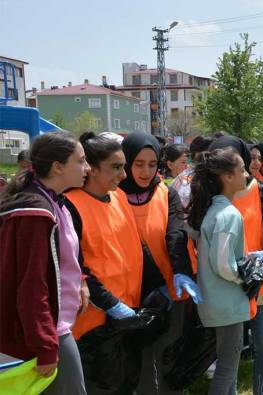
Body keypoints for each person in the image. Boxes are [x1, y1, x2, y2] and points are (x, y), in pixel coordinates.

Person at [64, 133, 156, 393]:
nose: (124, 175)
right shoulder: (71, 206)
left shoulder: (119, 198)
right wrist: (111, 304)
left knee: (128, 383)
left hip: (127, 315)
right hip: (95, 324)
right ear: (91, 169)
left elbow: (136, 245)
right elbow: (76, 269)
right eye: (116, 167)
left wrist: (159, 284)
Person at [0, 132, 91, 394]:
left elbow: (62, 260)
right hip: (49, 331)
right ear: (58, 167)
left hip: (53, 327)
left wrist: (80, 282)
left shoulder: (54, 202)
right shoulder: (35, 213)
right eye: (81, 161)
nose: (87, 168)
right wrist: (44, 345)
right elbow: (31, 284)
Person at [118, 132, 200, 395]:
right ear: (126, 163)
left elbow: (175, 235)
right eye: (138, 164)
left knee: (165, 354)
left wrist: (181, 272)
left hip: (165, 291)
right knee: (135, 364)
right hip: (126, 296)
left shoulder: (166, 194)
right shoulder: (113, 195)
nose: (145, 171)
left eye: (152, 164)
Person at [210, 135, 263, 395]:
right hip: (229, 287)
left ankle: (260, 391)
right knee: (230, 355)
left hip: (259, 285)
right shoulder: (215, 197)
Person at [186, 148, 250, 395]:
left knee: (228, 368)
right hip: (228, 304)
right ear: (227, 177)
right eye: (242, 169)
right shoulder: (228, 214)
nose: (246, 174)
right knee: (227, 368)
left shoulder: (212, 209)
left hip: (215, 300)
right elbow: (223, 264)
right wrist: (245, 274)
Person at [171, 135, 214, 208]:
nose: (207, 157)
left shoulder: (216, 176)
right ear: (195, 154)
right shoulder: (184, 178)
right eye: (204, 153)